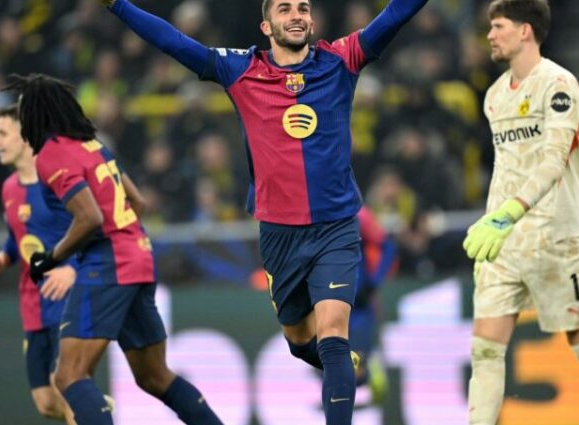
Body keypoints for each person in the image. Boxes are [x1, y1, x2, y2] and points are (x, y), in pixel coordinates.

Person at [102, 0, 428, 422]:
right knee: (299, 340)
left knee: (333, 336)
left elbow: (395, 14)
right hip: (279, 234)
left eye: (303, 8)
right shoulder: (240, 69)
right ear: (266, 25)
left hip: (336, 227)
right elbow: (173, 41)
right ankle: (345, 369)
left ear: (312, 20)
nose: (296, 15)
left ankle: (343, 377)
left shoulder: (341, 59)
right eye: (285, 9)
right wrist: (118, 5)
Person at [3, 74, 223, 425]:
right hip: (139, 254)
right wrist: (122, 238)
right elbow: (138, 202)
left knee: (69, 375)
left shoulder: (51, 155)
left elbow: (89, 217)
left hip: (108, 264)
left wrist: (54, 256)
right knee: (154, 376)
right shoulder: (91, 144)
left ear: (36, 114)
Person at [461, 1, 579, 424]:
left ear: (525, 31)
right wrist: (492, 223)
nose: (490, 35)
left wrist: (506, 214)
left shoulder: (559, 85)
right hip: (506, 241)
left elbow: (554, 160)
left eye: (498, 26)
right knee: (484, 350)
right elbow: (506, 170)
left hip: (559, 236)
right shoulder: (494, 96)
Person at [0, 105, 79, 424]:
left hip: (67, 299)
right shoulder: (9, 188)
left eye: (2, 134)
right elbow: (17, 236)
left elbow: (93, 229)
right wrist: (3, 258)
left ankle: (91, 411)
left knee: (66, 386)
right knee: (46, 403)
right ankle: (98, 411)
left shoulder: (59, 181)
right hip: (33, 305)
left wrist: (73, 270)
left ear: (25, 135)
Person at [351, 206, 397, 405]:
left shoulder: (357, 214)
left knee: (360, 359)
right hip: (330, 299)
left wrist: (374, 282)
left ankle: (370, 380)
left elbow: (388, 247)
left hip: (358, 301)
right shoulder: (314, 209)